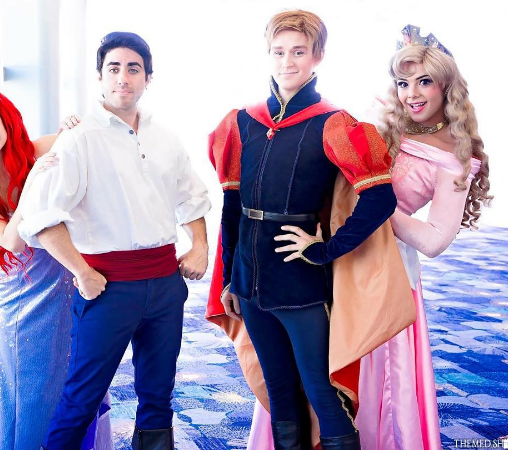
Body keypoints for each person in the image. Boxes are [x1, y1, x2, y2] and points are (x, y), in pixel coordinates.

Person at [206, 10, 415, 450]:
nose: (287, 62)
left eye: (299, 52)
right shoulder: (241, 122)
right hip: (249, 279)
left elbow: (380, 198)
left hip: (299, 280)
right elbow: (232, 208)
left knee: (321, 391)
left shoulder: (333, 123)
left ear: (317, 56)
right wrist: (228, 278)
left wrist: (324, 249)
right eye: (279, 52)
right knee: (279, 393)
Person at [17, 31, 211, 450]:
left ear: (148, 78)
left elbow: (192, 198)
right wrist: (81, 272)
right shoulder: (80, 138)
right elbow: (41, 217)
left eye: (133, 69)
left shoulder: (165, 136)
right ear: (100, 76)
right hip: (108, 286)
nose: (123, 77)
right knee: (82, 397)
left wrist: (200, 245)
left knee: (159, 396)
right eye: (114, 68)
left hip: (165, 284)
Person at [0, 85, 111, 450]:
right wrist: (32, 181)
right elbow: (13, 241)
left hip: (67, 277)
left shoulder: (35, 149)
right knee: (29, 385)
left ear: (5, 119)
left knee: (77, 374)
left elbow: (92, 141)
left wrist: (72, 126)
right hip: (20, 293)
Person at [355, 25, 492, 450]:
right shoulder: (387, 121)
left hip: (387, 273)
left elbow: (434, 242)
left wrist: (376, 206)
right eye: (403, 82)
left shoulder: (456, 156)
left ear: (446, 85)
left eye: (424, 81)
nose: (411, 94)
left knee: (374, 384)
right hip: (339, 254)